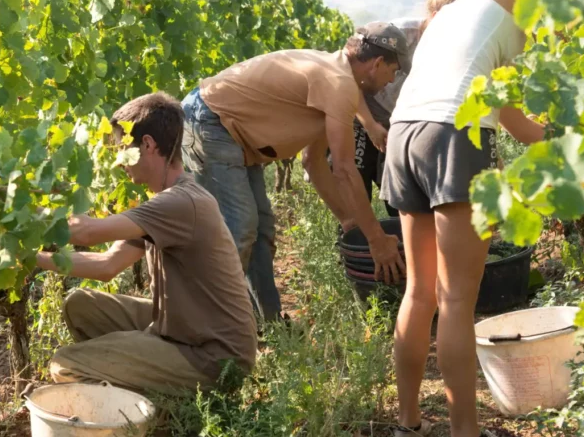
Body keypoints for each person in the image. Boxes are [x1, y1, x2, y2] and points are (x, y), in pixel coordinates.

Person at [379, 0, 547, 437]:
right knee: (456, 298)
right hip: (452, 135)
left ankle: (407, 427)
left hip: (405, 135)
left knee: (420, 292)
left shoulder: (457, 18)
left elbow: (515, 119)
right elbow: (571, 7)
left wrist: (562, 137)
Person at [180, 24, 410, 322]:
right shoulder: (338, 82)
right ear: (377, 63)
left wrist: (348, 220)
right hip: (210, 120)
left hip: (230, 132)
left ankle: (268, 323)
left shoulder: (338, 78)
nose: (391, 80)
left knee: (261, 228)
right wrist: (376, 240)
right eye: (393, 71)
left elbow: (313, 161)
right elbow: (344, 170)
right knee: (241, 228)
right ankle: (207, 326)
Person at [34, 92, 258, 396]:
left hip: (215, 357)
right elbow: (107, 265)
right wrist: (32, 258)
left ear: (148, 145)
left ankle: (158, 413)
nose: (118, 161)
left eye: (122, 148)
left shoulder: (180, 203)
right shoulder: (165, 203)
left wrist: (22, 213)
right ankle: (146, 377)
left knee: (66, 364)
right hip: (182, 329)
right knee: (81, 306)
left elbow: (85, 233)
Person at [350, 0, 465, 218]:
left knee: (400, 198)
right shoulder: (397, 34)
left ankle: (399, 241)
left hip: (399, 125)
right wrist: (369, 124)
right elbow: (348, 74)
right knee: (355, 189)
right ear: (434, 17)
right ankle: (355, 240)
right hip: (361, 115)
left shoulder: (453, 49)